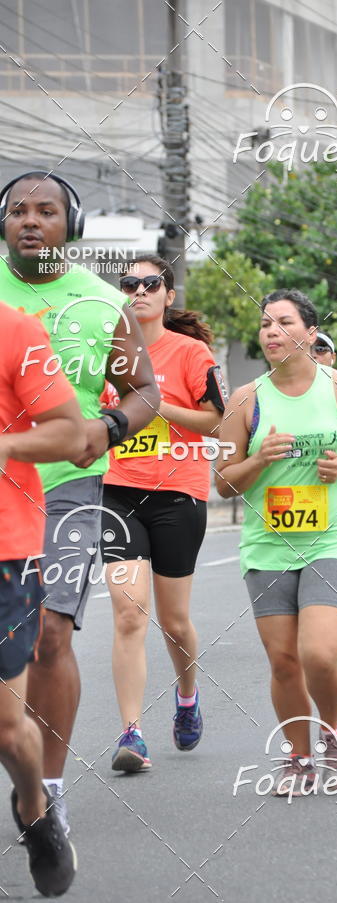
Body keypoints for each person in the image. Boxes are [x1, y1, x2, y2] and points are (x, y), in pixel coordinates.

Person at [0, 171, 159, 833]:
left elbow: (144, 390)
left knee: (50, 633)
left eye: (47, 211)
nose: (30, 221)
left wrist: (113, 426)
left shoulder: (103, 304)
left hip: (65, 484)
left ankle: (50, 788)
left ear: (74, 226)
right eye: (17, 211)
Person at [216, 289, 337, 796]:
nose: (270, 332)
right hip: (267, 543)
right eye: (265, 323)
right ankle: (298, 757)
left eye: (283, 322)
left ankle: (332, 731)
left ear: (310, 334)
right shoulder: (245, 400)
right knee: (284, 660)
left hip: (332, 536)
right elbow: (222, 481)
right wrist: (259, 459)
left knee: (318, 652)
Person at [100, 255, 226, 771]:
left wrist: (155, 406)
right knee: (130, 614)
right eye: (129, 283)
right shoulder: (105, 353)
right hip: (118, 491)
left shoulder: (191, 353)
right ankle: (132, 733)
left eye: (151, 283)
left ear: (168, 295)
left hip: (179, 494)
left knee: (174, 622)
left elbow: (219, 422)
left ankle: (188, 695)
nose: (139, 290)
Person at [0, 304, 82, 896]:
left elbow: (69, 431)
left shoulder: (16, 330)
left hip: (6, 551)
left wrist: (5, 447)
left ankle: (33, 807)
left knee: (6, 729)